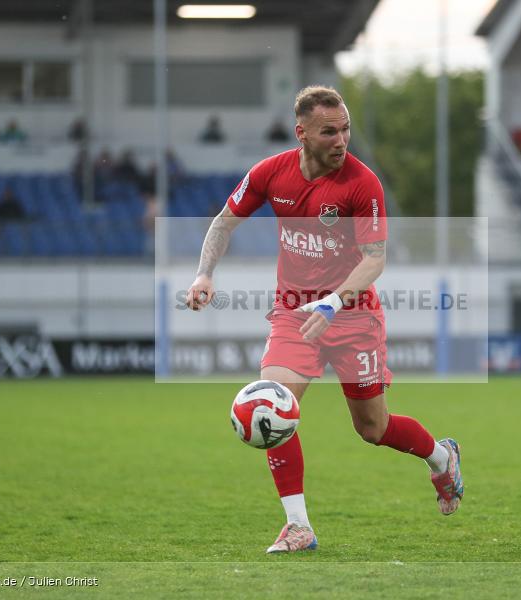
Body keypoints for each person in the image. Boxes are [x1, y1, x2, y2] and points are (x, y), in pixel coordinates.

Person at [184, 86, 463, 554]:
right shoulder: (270, 174)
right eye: (329, 131)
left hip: (353, 315)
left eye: (346, 129)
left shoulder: (362, 183)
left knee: (373, 429)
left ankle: (442, 458)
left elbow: (374, 260)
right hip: (294, 313)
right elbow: (223, 222)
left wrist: (333, 302)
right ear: (302, 133)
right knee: (274, 404)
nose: (341, 140)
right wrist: (204, 273)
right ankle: (299, 527)